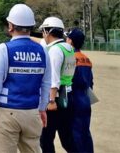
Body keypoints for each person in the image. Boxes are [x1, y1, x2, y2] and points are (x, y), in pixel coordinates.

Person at [0, 4, 51, 153]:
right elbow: (46, 83)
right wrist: (42, 108)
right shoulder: (43, 51)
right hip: (32, 112)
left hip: (7, 113)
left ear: (10, 26)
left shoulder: (4, 49)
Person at [39, 16, 76, 153]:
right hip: (67, 95)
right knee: (67, 138)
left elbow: (54, 79)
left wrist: (51, 100)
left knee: (46, 139)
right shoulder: (67, 47)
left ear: (48, 32)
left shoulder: (54, 51)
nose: (43, 34)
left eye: (43, 31)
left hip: (56, 99)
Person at [66, 28, 93, 153]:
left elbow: (66, 81)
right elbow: (91, 83)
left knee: (75, 133)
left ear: (70, 41)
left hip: (74, 100)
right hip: (85, 99)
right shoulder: (86, 59)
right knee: (85, 132)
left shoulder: (70, 58)